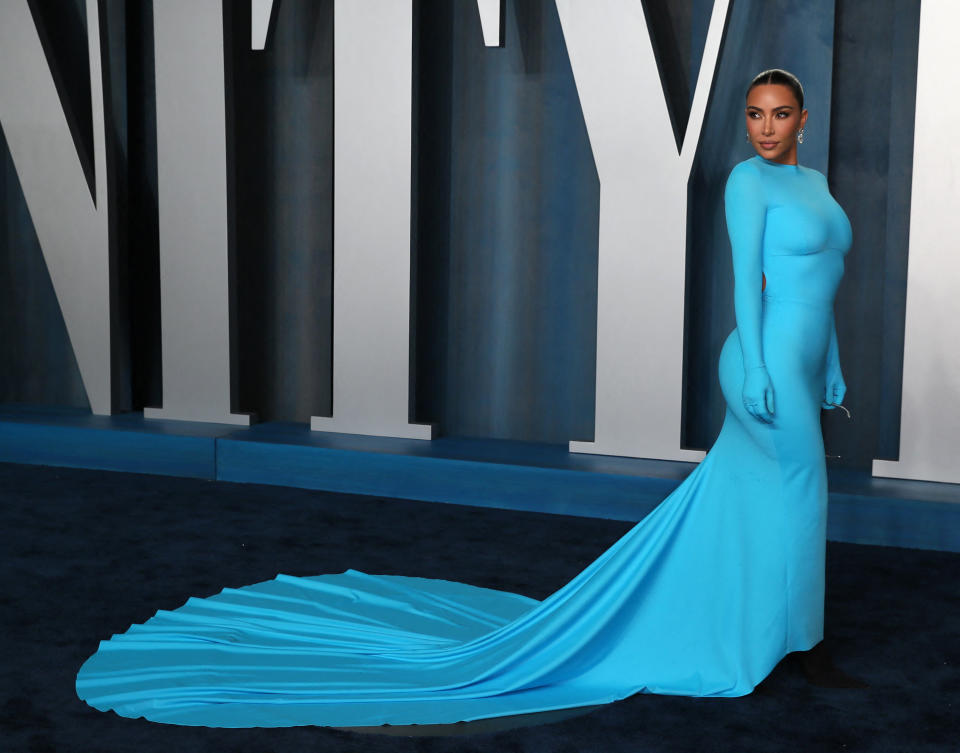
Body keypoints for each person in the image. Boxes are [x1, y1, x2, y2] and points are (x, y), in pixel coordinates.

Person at [75, 69, 859, 729]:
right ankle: (801, 642)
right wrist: (757, 366)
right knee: (801, 494)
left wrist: (833, 364)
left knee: (773, 499)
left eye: (778, 114)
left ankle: (775, 630)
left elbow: (824, 289)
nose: (764, 127)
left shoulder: (814, 185)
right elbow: (745, 290)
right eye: (754, 115)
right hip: (760, 366)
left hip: (802, 362)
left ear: (802, 119)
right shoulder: (747, 184)